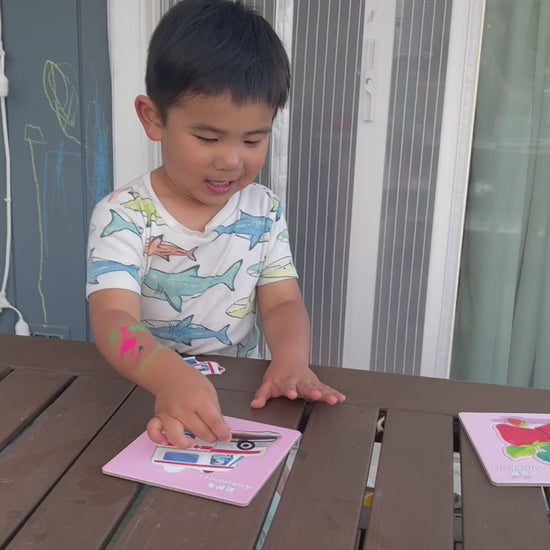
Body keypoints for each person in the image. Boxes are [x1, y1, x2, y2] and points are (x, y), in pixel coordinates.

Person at [86, 0, 345, 449]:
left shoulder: (263, 211)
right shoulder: (123, 215)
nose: (230, 160)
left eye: (253, 139)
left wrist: (291, 360)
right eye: (207, 138)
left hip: (241, 394)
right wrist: (170, 377)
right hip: (143, 391)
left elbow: (282, 301)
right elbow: (112, 317)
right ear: (153, 118)